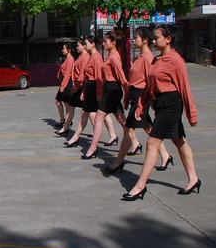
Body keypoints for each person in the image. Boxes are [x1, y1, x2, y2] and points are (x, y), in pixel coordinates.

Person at [122, 24, 201, 201]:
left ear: (168, 39)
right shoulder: (157, 60)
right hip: (159, 104)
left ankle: (140, 186)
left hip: (171, 104)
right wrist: (141, 106)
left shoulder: (176, 60)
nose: (154, 41)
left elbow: (184, 88)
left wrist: (191, 113)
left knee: (152, 143)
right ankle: (193, 179)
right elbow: (148, 86)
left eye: (157, 38)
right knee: (179, 140)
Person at [104, 26, 173, 174]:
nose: (134, 40)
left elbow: (149, 81)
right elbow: (133, 79)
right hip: (135, 95)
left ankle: (118, 162)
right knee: (147, 127)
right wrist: (127, 96)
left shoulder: (148, 58)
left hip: (142, 96)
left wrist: (143, 102)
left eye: (136, 37)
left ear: (145, 40)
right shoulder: (139, 57)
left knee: (128, 129)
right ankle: (166, 155)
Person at [81, 30, 129, 160]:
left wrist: (127, 95)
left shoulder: (114, 57)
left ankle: (92, 148)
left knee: (98, 118)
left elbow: (122, 77)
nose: (103, 43)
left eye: (106, 41)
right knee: (121, 119)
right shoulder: (110, 56)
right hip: (109, 88)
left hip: (113, 89)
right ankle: (135, 142)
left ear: (113, 43)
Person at [64, 36, 118, 148]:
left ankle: (78, 138)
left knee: (102, 114)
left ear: (93, 44)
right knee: (95, 113)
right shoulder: (91, 57)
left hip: (95, 87)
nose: (85, 46)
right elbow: (86, 75)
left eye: (86, 43)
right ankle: (113, 135)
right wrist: (84, 90)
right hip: (90, 87)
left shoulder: (96, 57)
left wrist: (98, 93)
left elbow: (98, 76)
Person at [54, 43, 75, 133]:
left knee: (66, 103)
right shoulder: (67, 59)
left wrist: (63, 86)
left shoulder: (70, 59)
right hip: (64, 81)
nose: (62, 50)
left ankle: (67, 121)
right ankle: (63, 119)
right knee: (59, 101)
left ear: (68, 50)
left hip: (67, 82)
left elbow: (67, 74)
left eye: (64, 49)